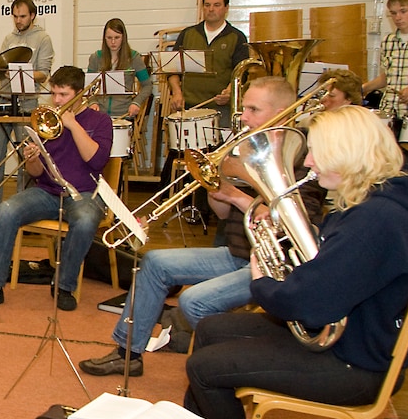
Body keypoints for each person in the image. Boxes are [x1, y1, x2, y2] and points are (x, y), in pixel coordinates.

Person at [185, 106, 408, 419]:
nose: (310, 161)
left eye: (317, 151)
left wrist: (262, 283)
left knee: (204, 368)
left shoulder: (377, 220)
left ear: (346, 154)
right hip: (352, 337)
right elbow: (330, 268)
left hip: (356, 363)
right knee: (211, 328)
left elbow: (311, 304)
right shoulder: (370, 204)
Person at [80, 76, 324, 376]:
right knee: (154, 262)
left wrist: (235, 196)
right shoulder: (245, 148)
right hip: (236, 252)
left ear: (283, 113)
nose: (243, 116)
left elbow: (295, 227)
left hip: (273, 267)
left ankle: (222, 371)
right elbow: (222, 214)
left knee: (193, 302)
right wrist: (215, 191)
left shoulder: (303, 158)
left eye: (253, 109)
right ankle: (127, 353)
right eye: (243, 108)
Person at [0, 66, 112, 312]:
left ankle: (64, 286)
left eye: (63, 94)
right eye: (53, 93)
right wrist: (31, 158)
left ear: (79, 94)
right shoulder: (47, 121)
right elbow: (36, 174)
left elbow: (96, 161)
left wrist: (73, 126)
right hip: (49, 192)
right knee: (7, 209)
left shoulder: (100, 121)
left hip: (84, 193)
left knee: (85, 220)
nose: (56, 100)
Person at [0, 0, 56, 204]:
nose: (18, 20)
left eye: (22, 16)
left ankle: (23, 203)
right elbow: (1, 71)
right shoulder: (9, 39)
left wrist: (22, 72)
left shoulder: (43, 38)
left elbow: (44, 73)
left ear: (32, 16)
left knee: (26, 156)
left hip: (27, 102)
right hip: (5, 98)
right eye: (15, 16)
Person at [168, 0, 250, 126]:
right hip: (188, 108)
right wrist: (177, 93)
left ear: (226, 8)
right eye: (207, 5)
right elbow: (172, 70)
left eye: (216, 5)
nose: (211, 9)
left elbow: (242, 73)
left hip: (222, 110)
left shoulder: (237, 37)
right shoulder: (187, 34)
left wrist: (229, 92)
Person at [87, 18, 153, 119]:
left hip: (124, 114)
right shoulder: (96, 57)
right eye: (109, 38)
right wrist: (93, 102)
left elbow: (147, 85)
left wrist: (136, 102)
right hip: (100, 114)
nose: (113, 42)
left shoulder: (134, 57)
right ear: (104, 38)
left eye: (117, 37)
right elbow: (88, 87)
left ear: (123, 37)